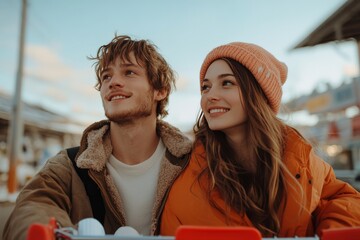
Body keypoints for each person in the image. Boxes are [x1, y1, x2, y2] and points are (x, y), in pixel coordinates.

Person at [160, 42, 360, 237]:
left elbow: (345, 199)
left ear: (259, 94)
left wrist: (331, 233)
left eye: (227, 83)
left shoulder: (301, 160)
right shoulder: (191, 181)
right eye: (206, 87)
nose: (210, 96)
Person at [4, 35, 192, 240]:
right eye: (106, 77)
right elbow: (33, 206)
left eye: (129, 72)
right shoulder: (70, 166)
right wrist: (54, 234)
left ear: (160, 90)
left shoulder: (192, 162)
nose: (114, 82)